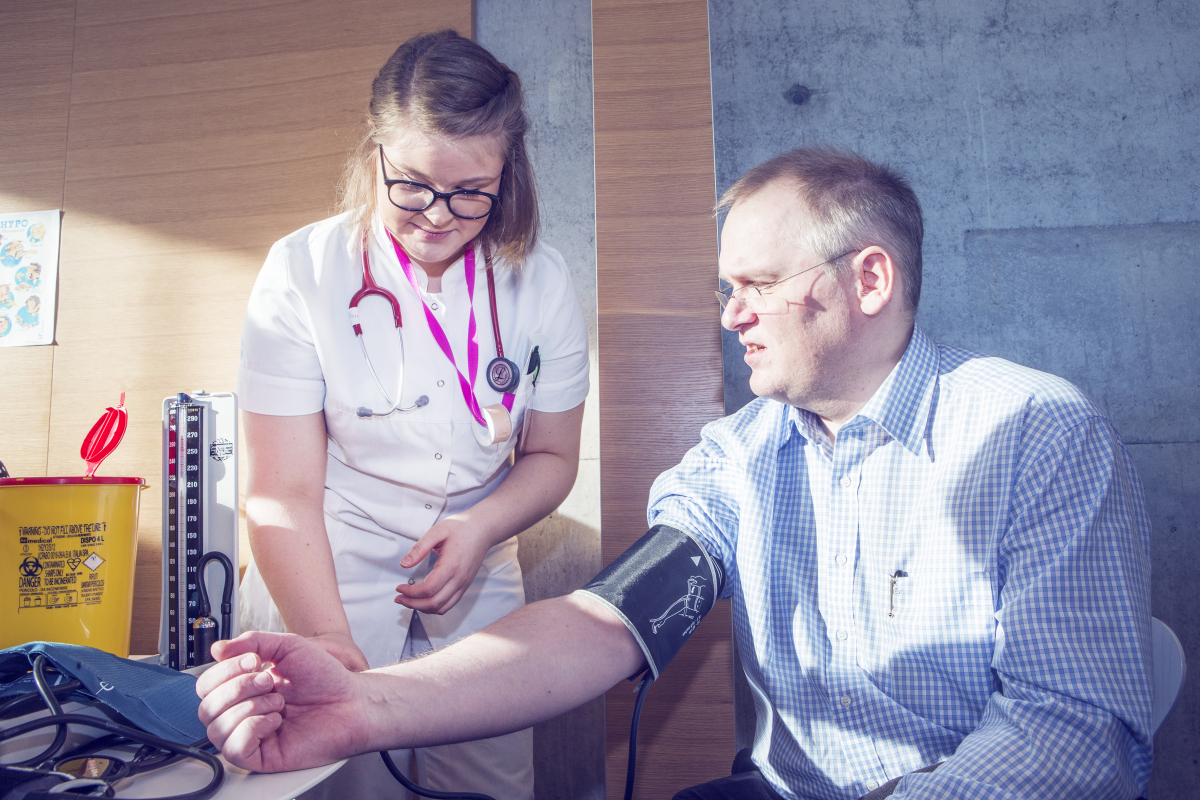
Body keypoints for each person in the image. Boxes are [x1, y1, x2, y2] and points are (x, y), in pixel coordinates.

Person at [200, 146, 1152, 800]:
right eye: (726, 288)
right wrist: (364, 706)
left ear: (869, 280)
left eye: (759, 285)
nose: (732, 315)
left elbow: (1077, 733)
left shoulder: (1036, 433)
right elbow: (605, 622)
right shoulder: (740, 456)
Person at [233, 29, 589, 800]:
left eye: (470, 191)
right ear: (376, 157)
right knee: (341, 778)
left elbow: (553, 457)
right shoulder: (302, 273)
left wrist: (482, 526)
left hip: (478, 554)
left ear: (508, 173)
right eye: (414, 186)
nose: (436, 215)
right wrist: (326, 635)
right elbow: (281, 491)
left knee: (492, 780)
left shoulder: (543, 281)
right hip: (329, 559)